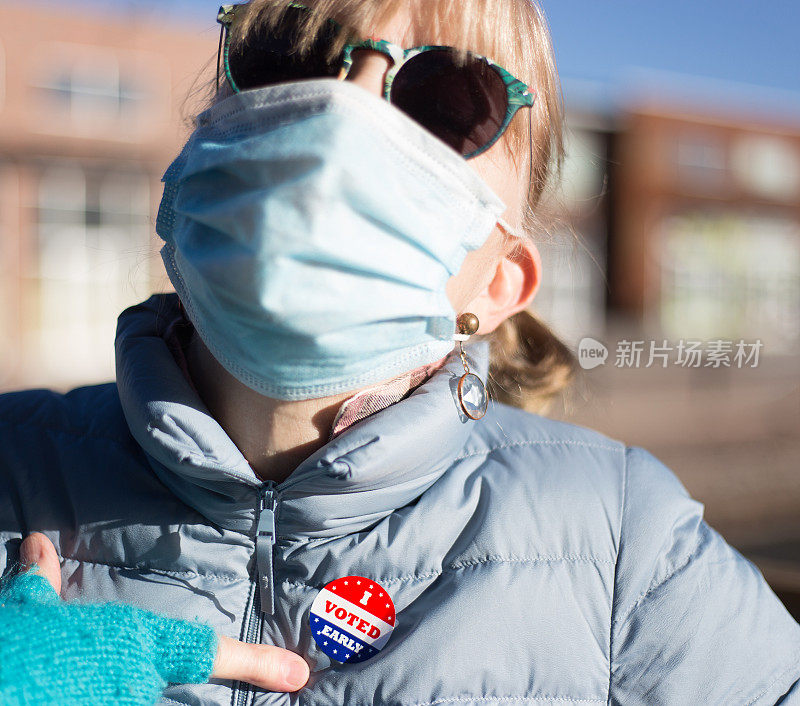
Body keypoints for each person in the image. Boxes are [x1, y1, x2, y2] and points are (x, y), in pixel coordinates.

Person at [1, 0, 799, 704]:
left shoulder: (624, 541)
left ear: (501, 280)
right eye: (287, 54)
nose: (344, 108)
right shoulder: (12, 465)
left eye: (449, 96)